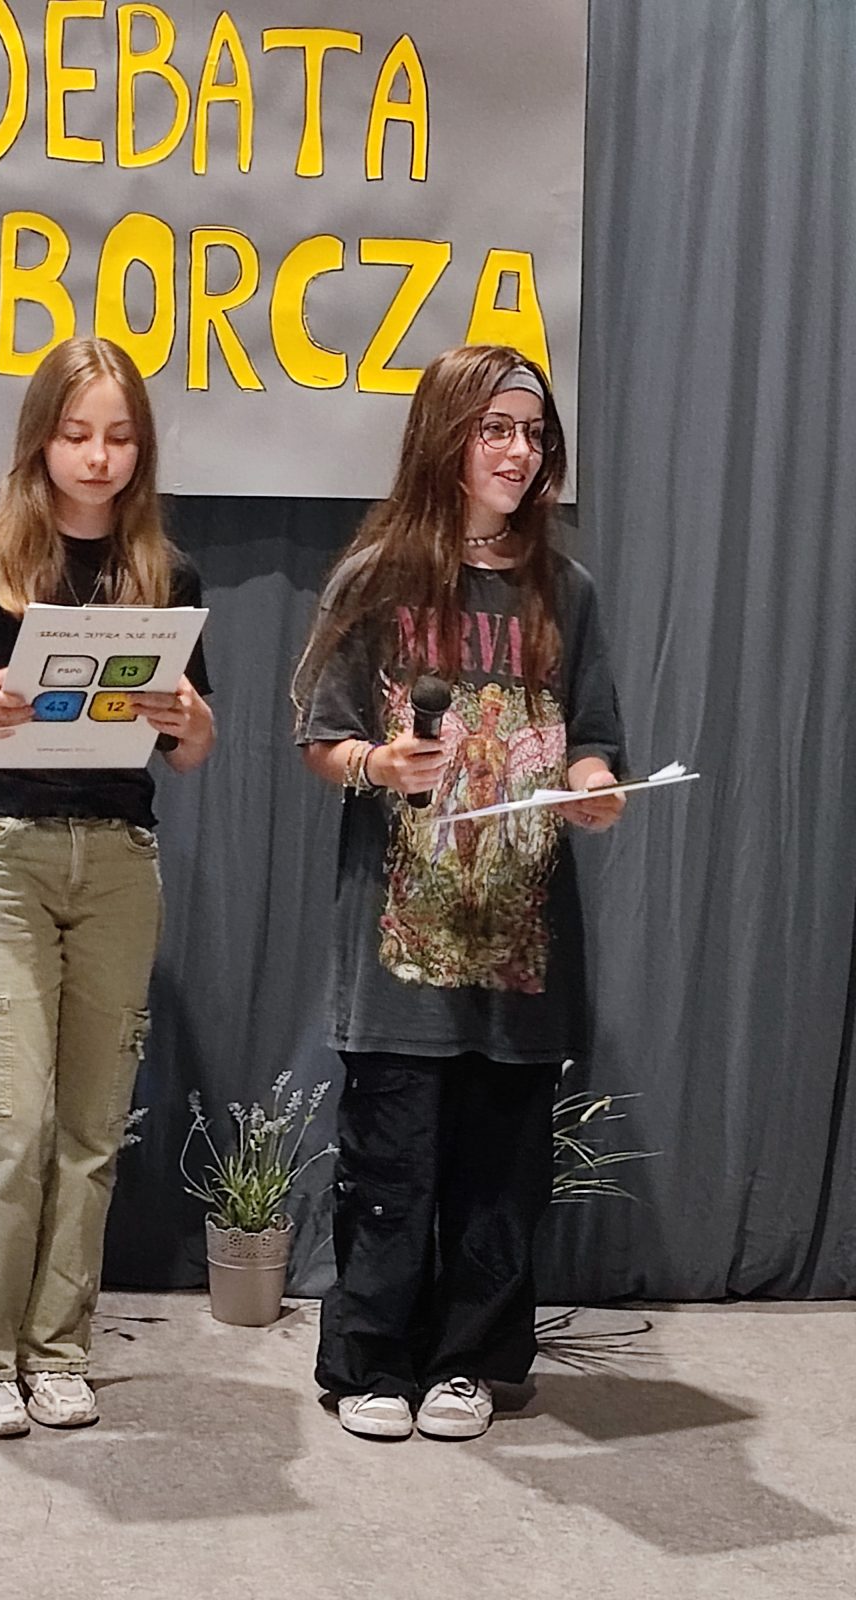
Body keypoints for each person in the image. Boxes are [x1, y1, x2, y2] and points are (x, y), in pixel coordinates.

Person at [292, 344, 626, 1441]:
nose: (520, 453)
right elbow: (324, 739)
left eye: (534, 434)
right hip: (399, 948)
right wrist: (381, 764)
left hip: (521, 945)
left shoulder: (565, 591)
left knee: (500, 1171)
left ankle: (470, 1364)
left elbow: (594, 739)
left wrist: (594, 786)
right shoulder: (378, 579)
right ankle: (371, 1363)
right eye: (496, 430)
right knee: (392, 1163)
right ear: (446, 440)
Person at [0, 337, 214, 1438]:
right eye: (77, 433)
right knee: (6, 1117)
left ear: (141, 450)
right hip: (10, 855)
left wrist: (187, 716)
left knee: (90, 1123)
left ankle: (58, 1350)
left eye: (119, 436)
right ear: (40, 439)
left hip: (119, 859)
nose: (97, 455)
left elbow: (194, 748)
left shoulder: (165, 577)